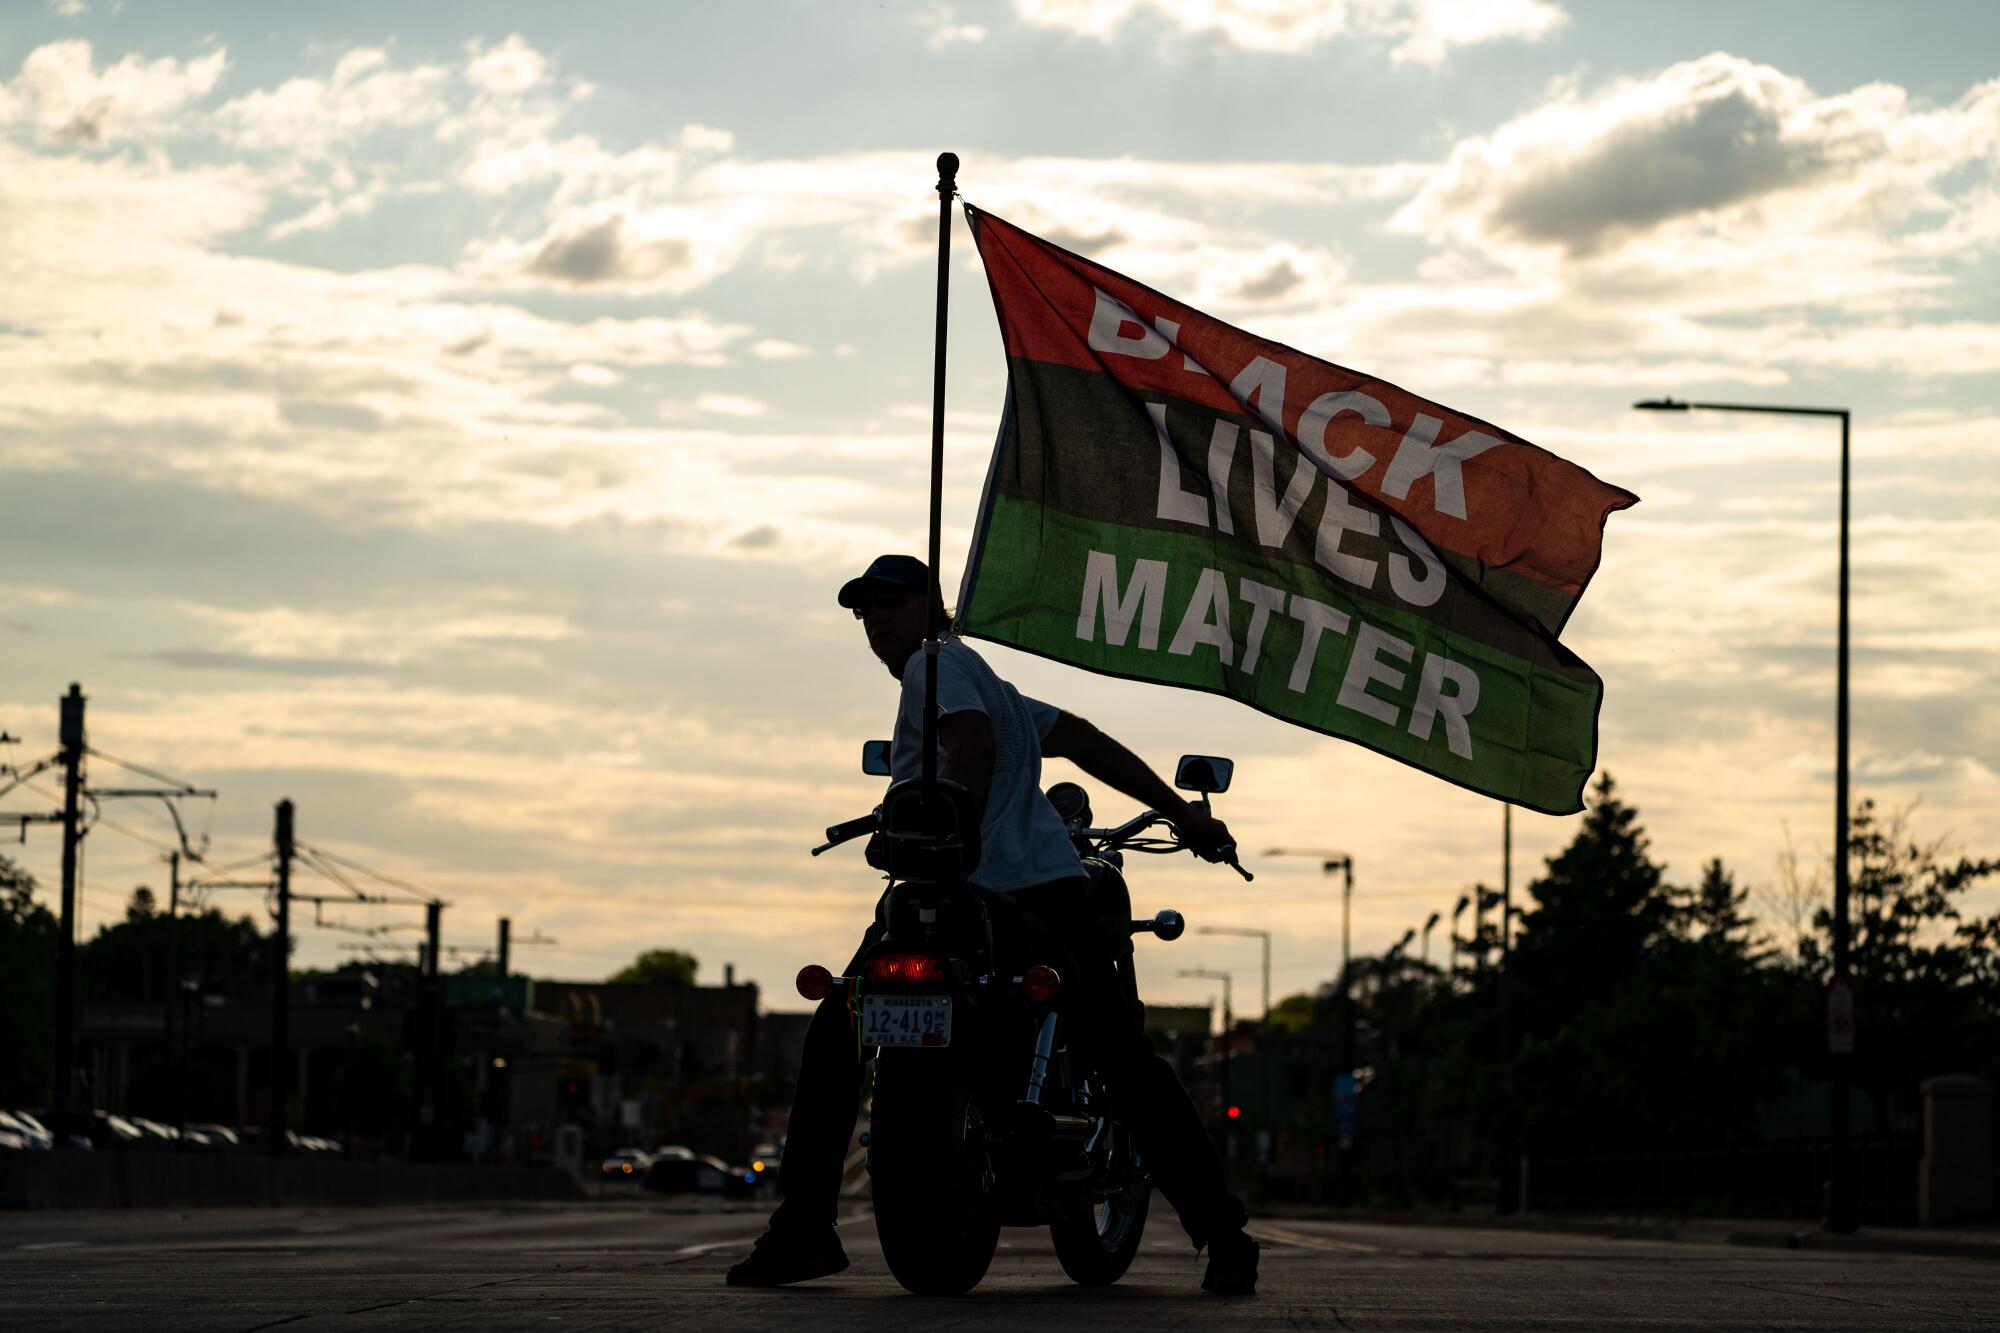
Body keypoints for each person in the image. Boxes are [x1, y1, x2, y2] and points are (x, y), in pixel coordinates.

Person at [726, 554, 1259, 1295]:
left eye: (890, 603)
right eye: (864, 611)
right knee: (1118, 1058)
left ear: (932, 604)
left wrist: (954, 835)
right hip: (1000, 896)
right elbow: (1076, 735)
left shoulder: (934, 666)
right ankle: (1226, 1237)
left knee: (846, 1034)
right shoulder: (977, 680)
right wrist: (1183, 815)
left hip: (990, 890)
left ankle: (803, 1229)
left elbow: (976, 744)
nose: (876, 621)